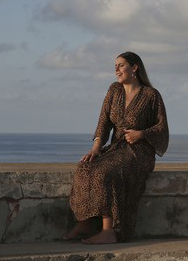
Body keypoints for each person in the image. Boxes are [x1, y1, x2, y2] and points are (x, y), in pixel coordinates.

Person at [64, 52, 169, 244]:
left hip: (140, 151)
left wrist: (141, 133)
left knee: (105, 172)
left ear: (134, 67)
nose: (116, 69)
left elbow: (161, 127)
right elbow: (104, 122)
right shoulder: (114, 90)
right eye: (115, 66)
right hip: (116, 148)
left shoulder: (150, 95)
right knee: (85, 167)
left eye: (121, 65)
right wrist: (96, 147)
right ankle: (86, 222)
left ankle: (108, 230)